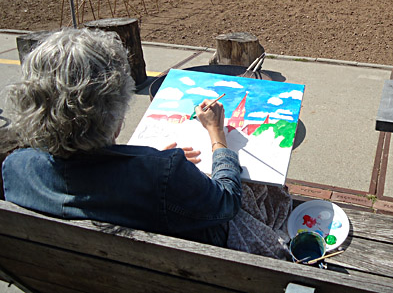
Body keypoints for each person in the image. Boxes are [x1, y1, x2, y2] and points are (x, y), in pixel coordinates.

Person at [2, 28, 242, 247]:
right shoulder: (162, 176)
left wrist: (149, 162)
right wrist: (217, 134)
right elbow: (227, 201)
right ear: (114, 109)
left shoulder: (16, 168)